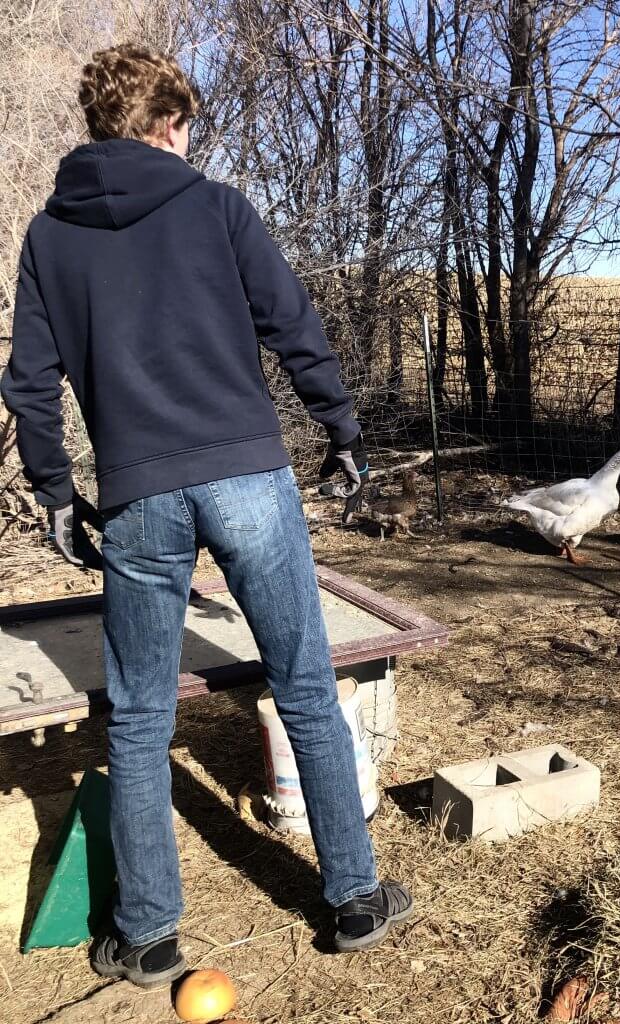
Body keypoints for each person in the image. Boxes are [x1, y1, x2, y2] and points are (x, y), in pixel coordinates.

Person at [1, 43, 412, 988]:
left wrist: (57, 491)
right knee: (304, 684)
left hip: (140, 494)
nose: (191, 141)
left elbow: (29, 383)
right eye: (186, 124)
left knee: (141, 719)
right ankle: (354, 897)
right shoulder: (215, 205)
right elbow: (292, 321)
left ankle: (147, 936)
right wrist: (340, 427)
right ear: (166, 123)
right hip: (249, 480)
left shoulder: (46, 235)